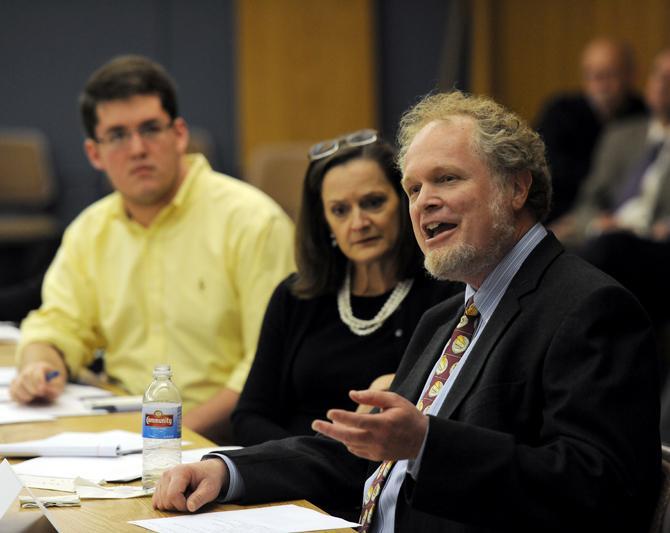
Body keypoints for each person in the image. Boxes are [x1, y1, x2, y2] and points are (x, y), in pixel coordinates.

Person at [152, 91, 660, 532]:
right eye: (414, 189)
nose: (423, 204)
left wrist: (427, 445)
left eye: (446, 179)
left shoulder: (588, 308)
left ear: (517, 187)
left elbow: (602, 492)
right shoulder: (445, 318)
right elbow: (364, 455)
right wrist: (229, 471)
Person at [9, 55, 295, 443]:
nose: (138, 148)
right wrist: (39, 368)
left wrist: (165, 436)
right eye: (118, 135)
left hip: (220, 443)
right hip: (121, 434)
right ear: (95, 153)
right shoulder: (90, 230)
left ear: (178, 134)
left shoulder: (252, 222)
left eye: (150, 129)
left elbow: (265, 371)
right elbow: (57, 325)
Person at [231, 131, 462, 446]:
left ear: (405, 201)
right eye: (340, 210)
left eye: (373, 203)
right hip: (289, 475)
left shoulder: (445, 297)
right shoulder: (295, 296)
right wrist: (300, 461)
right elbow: (249, 416)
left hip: (375, 480)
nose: (358, 222)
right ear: (324, 221)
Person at [551, 49, 670, 327]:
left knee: (607, 251)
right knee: (532, 248)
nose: (662, 83)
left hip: (654, 245)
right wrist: (595, 222)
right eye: (658, 74)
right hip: (606, 236)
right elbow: (588, 200)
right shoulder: (621, 135)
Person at [536, 38, 646, 221]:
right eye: (593, 75)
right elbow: (547, 170)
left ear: (629, 75)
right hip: (563, 212)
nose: (602, 85)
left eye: (610, 75)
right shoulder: (561, 112)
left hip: (627, 214)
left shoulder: (643, 114)